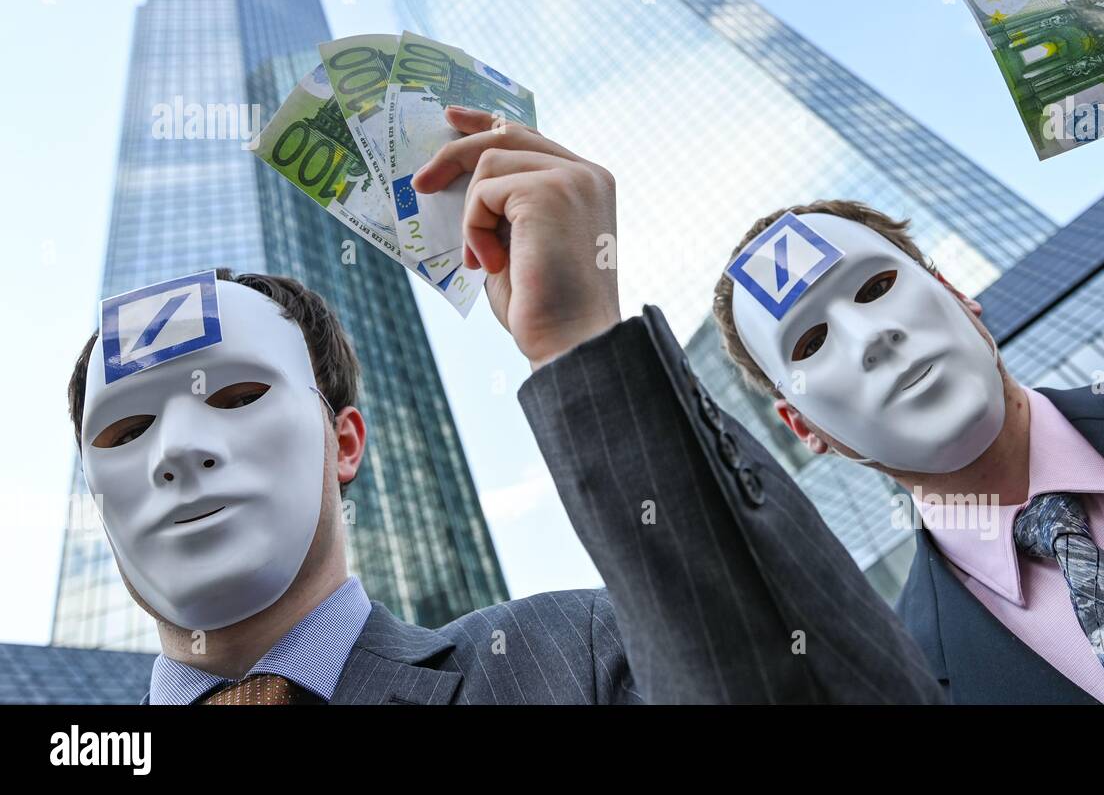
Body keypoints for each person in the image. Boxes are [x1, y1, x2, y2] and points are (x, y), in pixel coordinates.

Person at [68, 107, 941, 705]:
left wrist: (581, 342)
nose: (178, 450)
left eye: (236, 394)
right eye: (125, 429)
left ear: (345, 441)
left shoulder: (573, 660)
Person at [702, 0, 1104, 704]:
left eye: (878, 286)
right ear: (803, 426)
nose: (872, 338)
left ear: (957, 295)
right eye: (810, 341)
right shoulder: (908, 687)